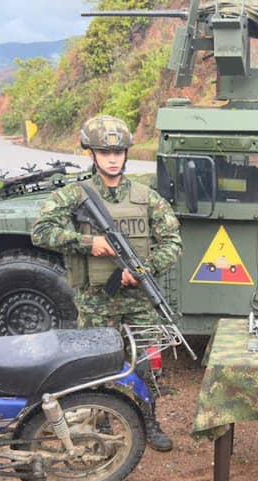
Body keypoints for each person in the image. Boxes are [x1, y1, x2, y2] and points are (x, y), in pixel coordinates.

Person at [31, 115, 183, 451]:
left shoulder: (147, 197)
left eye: (118, 152)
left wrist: (142, 269)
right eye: (105, 152)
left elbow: (173, 241)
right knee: (95, 369)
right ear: (91, 154)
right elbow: (40, 231)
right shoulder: (76, 195)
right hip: (95, 301)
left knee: (145, 367)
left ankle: (149, 422)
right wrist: (89, 244)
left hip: (139, 300)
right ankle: (100, 429)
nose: (113, 158)